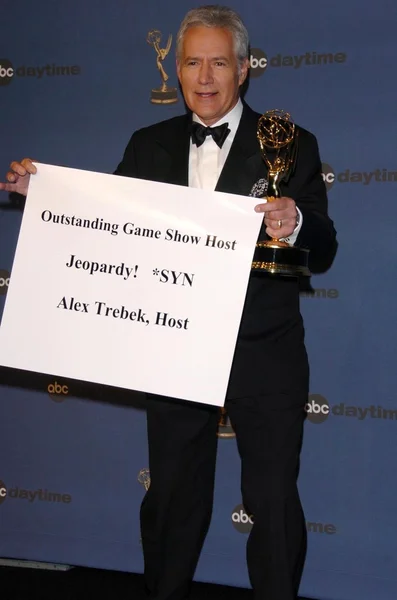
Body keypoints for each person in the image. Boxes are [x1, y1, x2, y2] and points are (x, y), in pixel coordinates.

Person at [0, 5, 337, 600]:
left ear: (243, 71)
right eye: (191, 62)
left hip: (265, 351)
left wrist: (297, 219)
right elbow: (101, 221)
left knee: (272, 500)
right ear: (176, 71)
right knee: (173, 499)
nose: (204, 77)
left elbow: (325, 242)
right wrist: (42, 191)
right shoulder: (147, 145)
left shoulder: (290, 143)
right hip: (172, 348)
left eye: (218, 63)